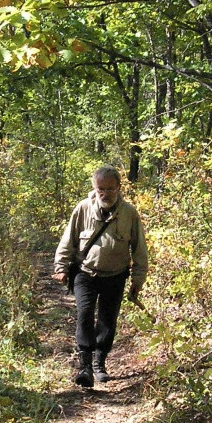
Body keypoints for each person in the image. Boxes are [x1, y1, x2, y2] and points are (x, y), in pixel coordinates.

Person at [53, 165, 148, 387]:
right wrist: (61, 267)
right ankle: (84, 365)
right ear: (95, 188)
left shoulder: (129, 213)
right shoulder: (83, 208)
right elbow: (68, 240)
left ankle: (99, 363)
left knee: (107, 320)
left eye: (110, 189)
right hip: (85, 273)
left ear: (119, 188)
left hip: (115, 276)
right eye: (100, 189)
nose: (105, 193)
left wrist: (138, 280)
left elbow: (139, 249)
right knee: (84, 314)